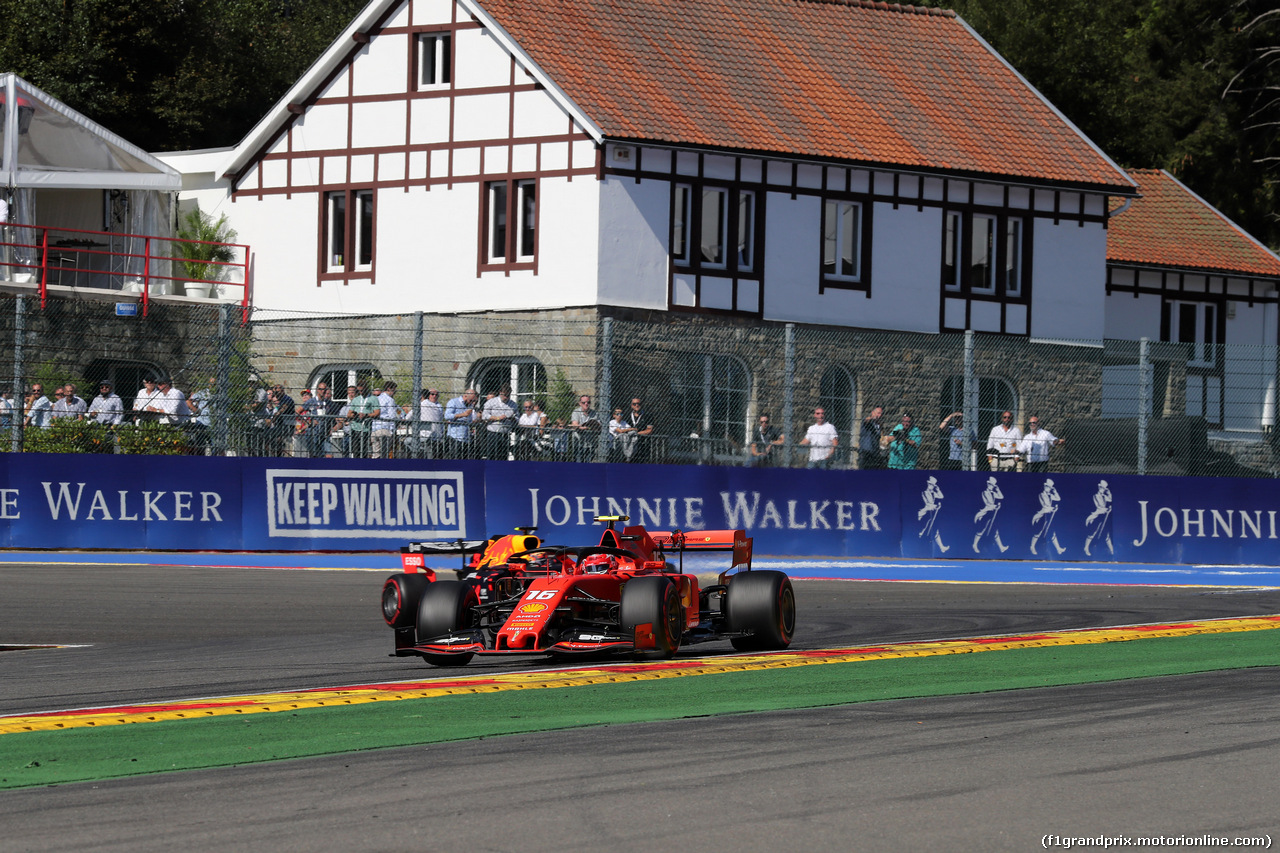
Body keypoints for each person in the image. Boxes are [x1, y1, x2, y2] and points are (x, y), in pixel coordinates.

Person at [973, 476, 1010, 553]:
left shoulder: (993, 493)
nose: (991, 486)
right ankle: (974, 545)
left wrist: (998, 489)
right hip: (985, 513)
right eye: (990, 484)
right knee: (981, 530)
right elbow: (988, 504)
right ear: (987, 484)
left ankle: (1001, 547)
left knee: (995, 530)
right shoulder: (984, 492)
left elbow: (1001, 497)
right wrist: (995, 506)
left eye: (992, 485)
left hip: (992, 514)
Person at [1030, 479, 1066, 555]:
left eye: (1049, 487)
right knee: (1038, 532)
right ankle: (1032, 546)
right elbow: (1044, 506)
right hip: (1041, 516)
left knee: (1052, 532)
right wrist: (1053, 509)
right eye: (1046, 486)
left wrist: (1055, 491)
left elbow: (1058, 498)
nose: (1047, 488)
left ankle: (1058, 549)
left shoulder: (1050, 495)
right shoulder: (1041, 495)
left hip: (1048, 516)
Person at [481, 385, 518, 460]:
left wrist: (512, 418)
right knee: (492, 455)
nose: (506, 397)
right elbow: (484, 416)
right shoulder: (491, 402)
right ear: (500, 393)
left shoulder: (513, 405)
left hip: (505, 434)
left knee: (503, 456)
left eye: (508, 395)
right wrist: (498, 418)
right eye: (505, 395)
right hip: (493, 433)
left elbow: (517, 418)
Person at [917, 476, 950, 553]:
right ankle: (918, 545)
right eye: (930, 484)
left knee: (935, 530)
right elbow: (926, 505)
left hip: (929, 514)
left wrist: (938, 490)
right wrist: (934, 506)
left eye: (932, 485)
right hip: (922, 513)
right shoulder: (923, 493)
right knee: (921, 530)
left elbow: (941, 496)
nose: (931, 486)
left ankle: (942, 547)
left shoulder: (933, 493)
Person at [445, 388, 480, 458]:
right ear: (465, 396)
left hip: (466, 438)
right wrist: (463, 414)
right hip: (455, 437)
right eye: (471, 400)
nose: (472, 403)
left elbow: (469, 420)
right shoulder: (454, 402)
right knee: (455, 459)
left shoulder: (469, 405)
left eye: (474, 401)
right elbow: (447, 416)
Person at [346, 380, 377, 458]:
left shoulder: (373, 398)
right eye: (359, 391)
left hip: (366, 429)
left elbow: (377, 412)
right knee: (355, 451)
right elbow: (349, 414)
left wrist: (366, 415)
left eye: (362, 390)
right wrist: (354, 415)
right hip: (355, 428)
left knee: (364, 451)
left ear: (366, 388)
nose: (361, 392)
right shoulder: (356, 399)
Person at [372, 381, 402, 458]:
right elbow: (392, 416)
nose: (395, 392)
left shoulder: (377, 399)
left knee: (376, 453)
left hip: (374, 428)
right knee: (385, 453)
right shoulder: (389, 400)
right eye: (394, 390)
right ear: (389, 389)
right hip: (385, 428)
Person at [1084, 480, 1114, 556]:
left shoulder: (1104, 496)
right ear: (1098, 487)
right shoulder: (1095, 496)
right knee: (1092, 532)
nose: (1102, 489)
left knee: (1106, 534)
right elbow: (1098, 507)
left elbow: (1111, 499)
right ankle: (1086, 547)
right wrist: (1106, 510)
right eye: (1101, 488)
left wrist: (1109, 492)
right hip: (1096, 516)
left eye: (1104, 488)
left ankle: (1112, 550)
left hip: (1103, 517)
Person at [569, 394, 600, 462]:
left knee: (589, 462)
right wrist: (586, 427)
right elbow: (575, 425)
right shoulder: (576, 412)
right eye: (583, 402)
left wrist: (585, 427)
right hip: (579, 441)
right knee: (579, 462)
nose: (586, 404)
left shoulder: (595, 413)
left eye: (588, 402)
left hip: (591, 442)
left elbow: (598, 425)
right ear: (580, 403)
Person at [624, 398, 654, 463]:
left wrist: (636, 433)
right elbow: (623, 428)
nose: (636, 405)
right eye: (634, 404)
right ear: (631, 405)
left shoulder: (648, 415)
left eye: (638, 404)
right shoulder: (626, 415)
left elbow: (649, 430)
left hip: (643, 445)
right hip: (628, 444)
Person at [417, 388, 445, 458]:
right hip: (430, 433)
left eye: (436, 395)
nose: (434, 396)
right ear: (428, 395)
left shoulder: (438, 406)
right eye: (432, 394)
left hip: (432, 434)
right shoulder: (429, 405)